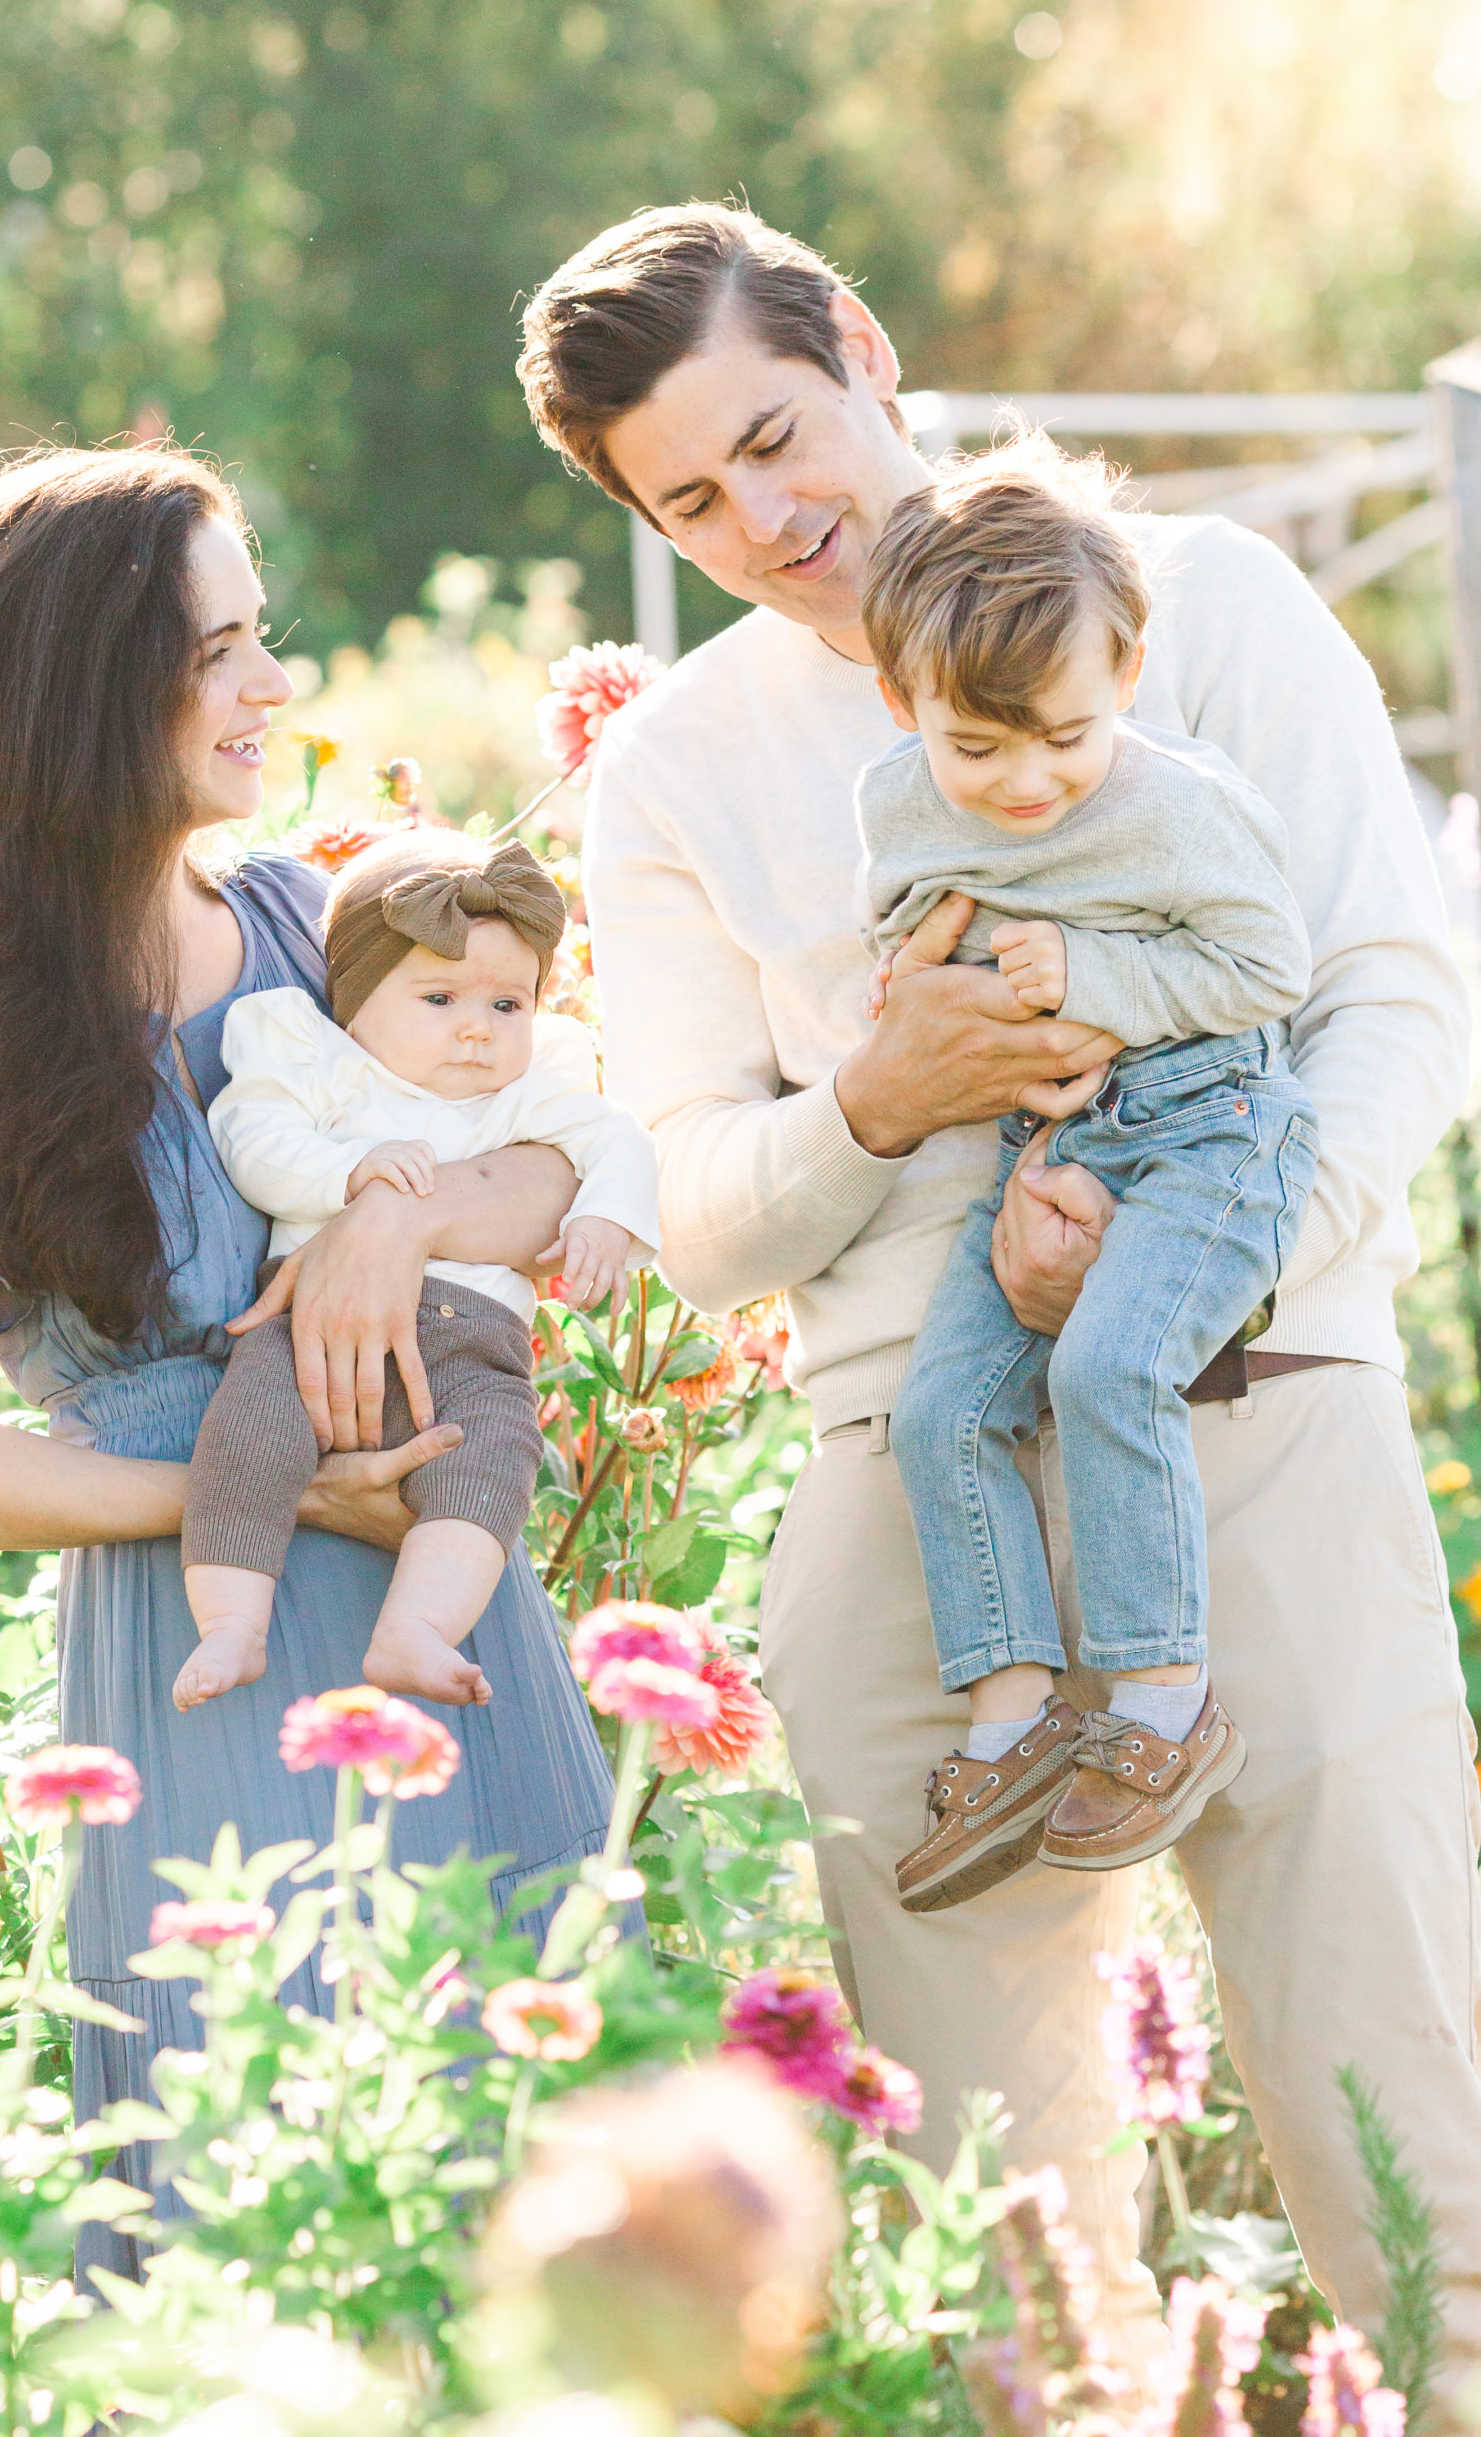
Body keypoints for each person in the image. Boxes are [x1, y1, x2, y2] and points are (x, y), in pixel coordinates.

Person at [519, 202, 1481, 2396]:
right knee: (996, 2248)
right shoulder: (677, 765)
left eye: (777, 434)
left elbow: (1393, 1007)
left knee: (1406, 2153)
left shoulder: (1206, 602)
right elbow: (698, 1208)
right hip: (913, 1502)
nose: (770, 516)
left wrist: (1173, 1260)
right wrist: (869, 1096)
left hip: (1254, 1405)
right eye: (693, 497)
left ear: (858, 345)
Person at [0, 444, 622, 2282]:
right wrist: (266, 1487)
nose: (273, 685)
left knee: (532, 2196)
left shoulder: (303, 921)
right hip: (213, 1632)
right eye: (223, 649)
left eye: (264, 636)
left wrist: (394, 1220)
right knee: (261, 2207)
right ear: (95, 685)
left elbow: (553, 1152)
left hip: (449, 1615)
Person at [858, 441, 1315, 1906]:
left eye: (1059, 734)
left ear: (1121, 669)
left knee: (1103, 1371)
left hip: (1207, 1127)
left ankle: (1161, 1712)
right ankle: (1010, 1717)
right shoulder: (897, 801)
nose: (1023, 783)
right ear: (900, 705)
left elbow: (1269, 967)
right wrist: (930, 996)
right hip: (1041, 1138)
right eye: (972, 749)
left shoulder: (1178, 803)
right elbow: (904, 936)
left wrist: (1097, 975)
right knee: (934, 1409)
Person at [178, 827, 659, 1712]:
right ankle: (231, 1622)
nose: (476, 1029)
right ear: (355, 1001)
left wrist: (605, 1216)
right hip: (302, 1339)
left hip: (474, 1350)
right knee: (248, 1439)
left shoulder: (532, 1087)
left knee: (490, 1468)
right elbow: (253, 1137)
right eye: (438, 997)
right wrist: (344, 1175)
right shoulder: (317, 1060)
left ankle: (418, 1628)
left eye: (506, 1006)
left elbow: (617, 1139)